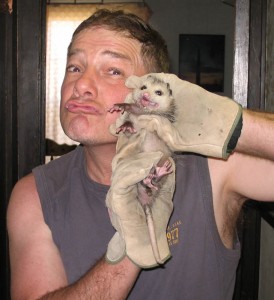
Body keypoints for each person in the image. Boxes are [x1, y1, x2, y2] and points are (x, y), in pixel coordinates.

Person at [7, 9, 274, 300]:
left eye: (113, 71)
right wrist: (133, 246)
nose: (81, 85)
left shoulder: (212, 168)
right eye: (74, 67)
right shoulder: (35, 195)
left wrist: (228, 124)